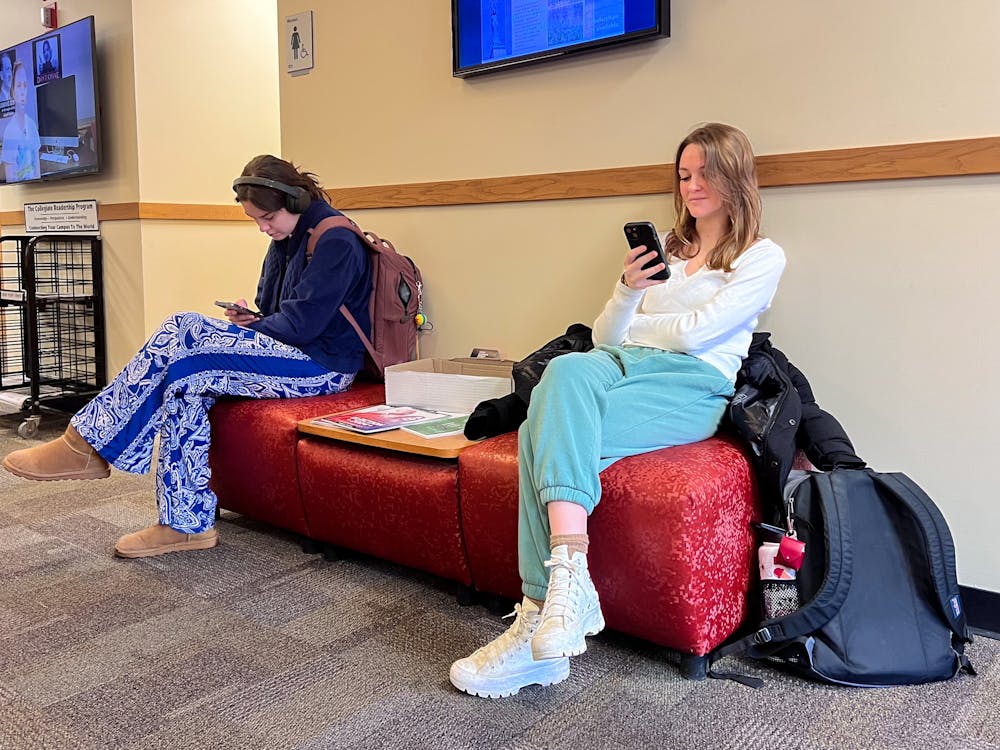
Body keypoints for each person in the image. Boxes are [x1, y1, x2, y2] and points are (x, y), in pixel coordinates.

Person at [449, 123, 787, 698]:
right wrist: (627, 290)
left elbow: (702, 334)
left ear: (735, 175)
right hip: (620, 365)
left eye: (706, 172)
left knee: (538, 429)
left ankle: (539, 619)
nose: (693, 185)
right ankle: (569, 581)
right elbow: (606, 337)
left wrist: (644, 326)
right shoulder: (671, 251)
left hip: (692, 384)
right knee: (566, 368)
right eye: (684, 175)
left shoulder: (761, 256)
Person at [2, 155, 373, 557]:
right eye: (256, 220)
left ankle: (86, 444)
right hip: (291, 352)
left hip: (324, 367)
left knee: (185, 329)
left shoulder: (336, 240)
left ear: (296, 202)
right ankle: (185, 524)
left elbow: (301, 327)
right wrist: (249, 319)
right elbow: (276, 309)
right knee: (185, 384)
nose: (263, 228)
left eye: (267, 217)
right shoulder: (286, 238)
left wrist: (245, 330)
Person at [1, 61, 40, 182]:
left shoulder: (32, 125)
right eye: (18, 86)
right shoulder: (9, 132)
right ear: (13, 91)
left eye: (25, 85)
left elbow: (38, 172)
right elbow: (12, 182)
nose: (23, 91)